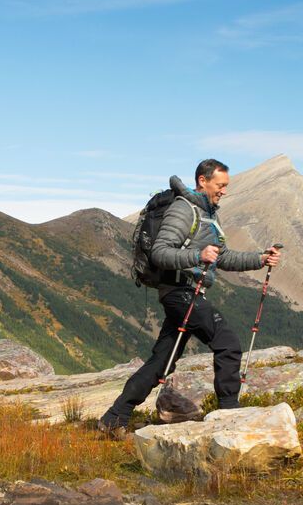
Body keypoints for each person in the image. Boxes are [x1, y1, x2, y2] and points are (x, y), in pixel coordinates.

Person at [99, 159, 281, 435]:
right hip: (179, 291)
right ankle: (228, 414)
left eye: (226, 186)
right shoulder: (183, 210)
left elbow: (224, 257)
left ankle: (115, 416)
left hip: (186, 291)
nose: (224, 191)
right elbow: (160, 252)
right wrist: (197, 255)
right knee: (228, 343)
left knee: (162, 361)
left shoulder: (209, 214)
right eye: (220, 185)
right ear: (202, 181)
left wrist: (260, 259)